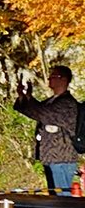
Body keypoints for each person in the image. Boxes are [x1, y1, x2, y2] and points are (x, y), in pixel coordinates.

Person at [14, 65, 80, 194]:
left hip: (62, 158)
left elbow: (41, 113)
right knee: (55, 195)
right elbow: (32, 109)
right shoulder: (52, 101)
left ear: (63, 79)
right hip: (51, 157)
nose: (49, 79)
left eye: (53, 76)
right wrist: (24, 96)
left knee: (62, 196)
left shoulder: (67, 103)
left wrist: (28, 99)